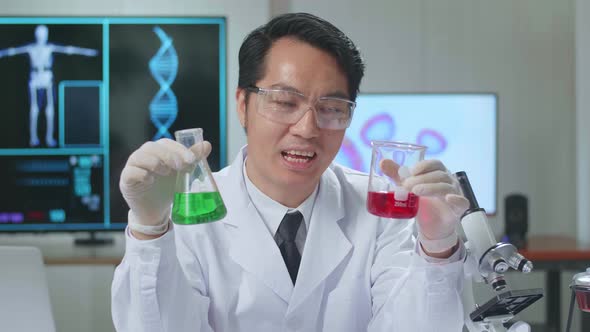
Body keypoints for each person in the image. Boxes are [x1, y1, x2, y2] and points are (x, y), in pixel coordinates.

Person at [112, 12, 470, 332]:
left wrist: (438, 248)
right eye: (285, 102)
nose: (307, 128)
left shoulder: (382, 213)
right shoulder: (191, 213)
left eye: (331, 107)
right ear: (243, 104)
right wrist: (149, 230)